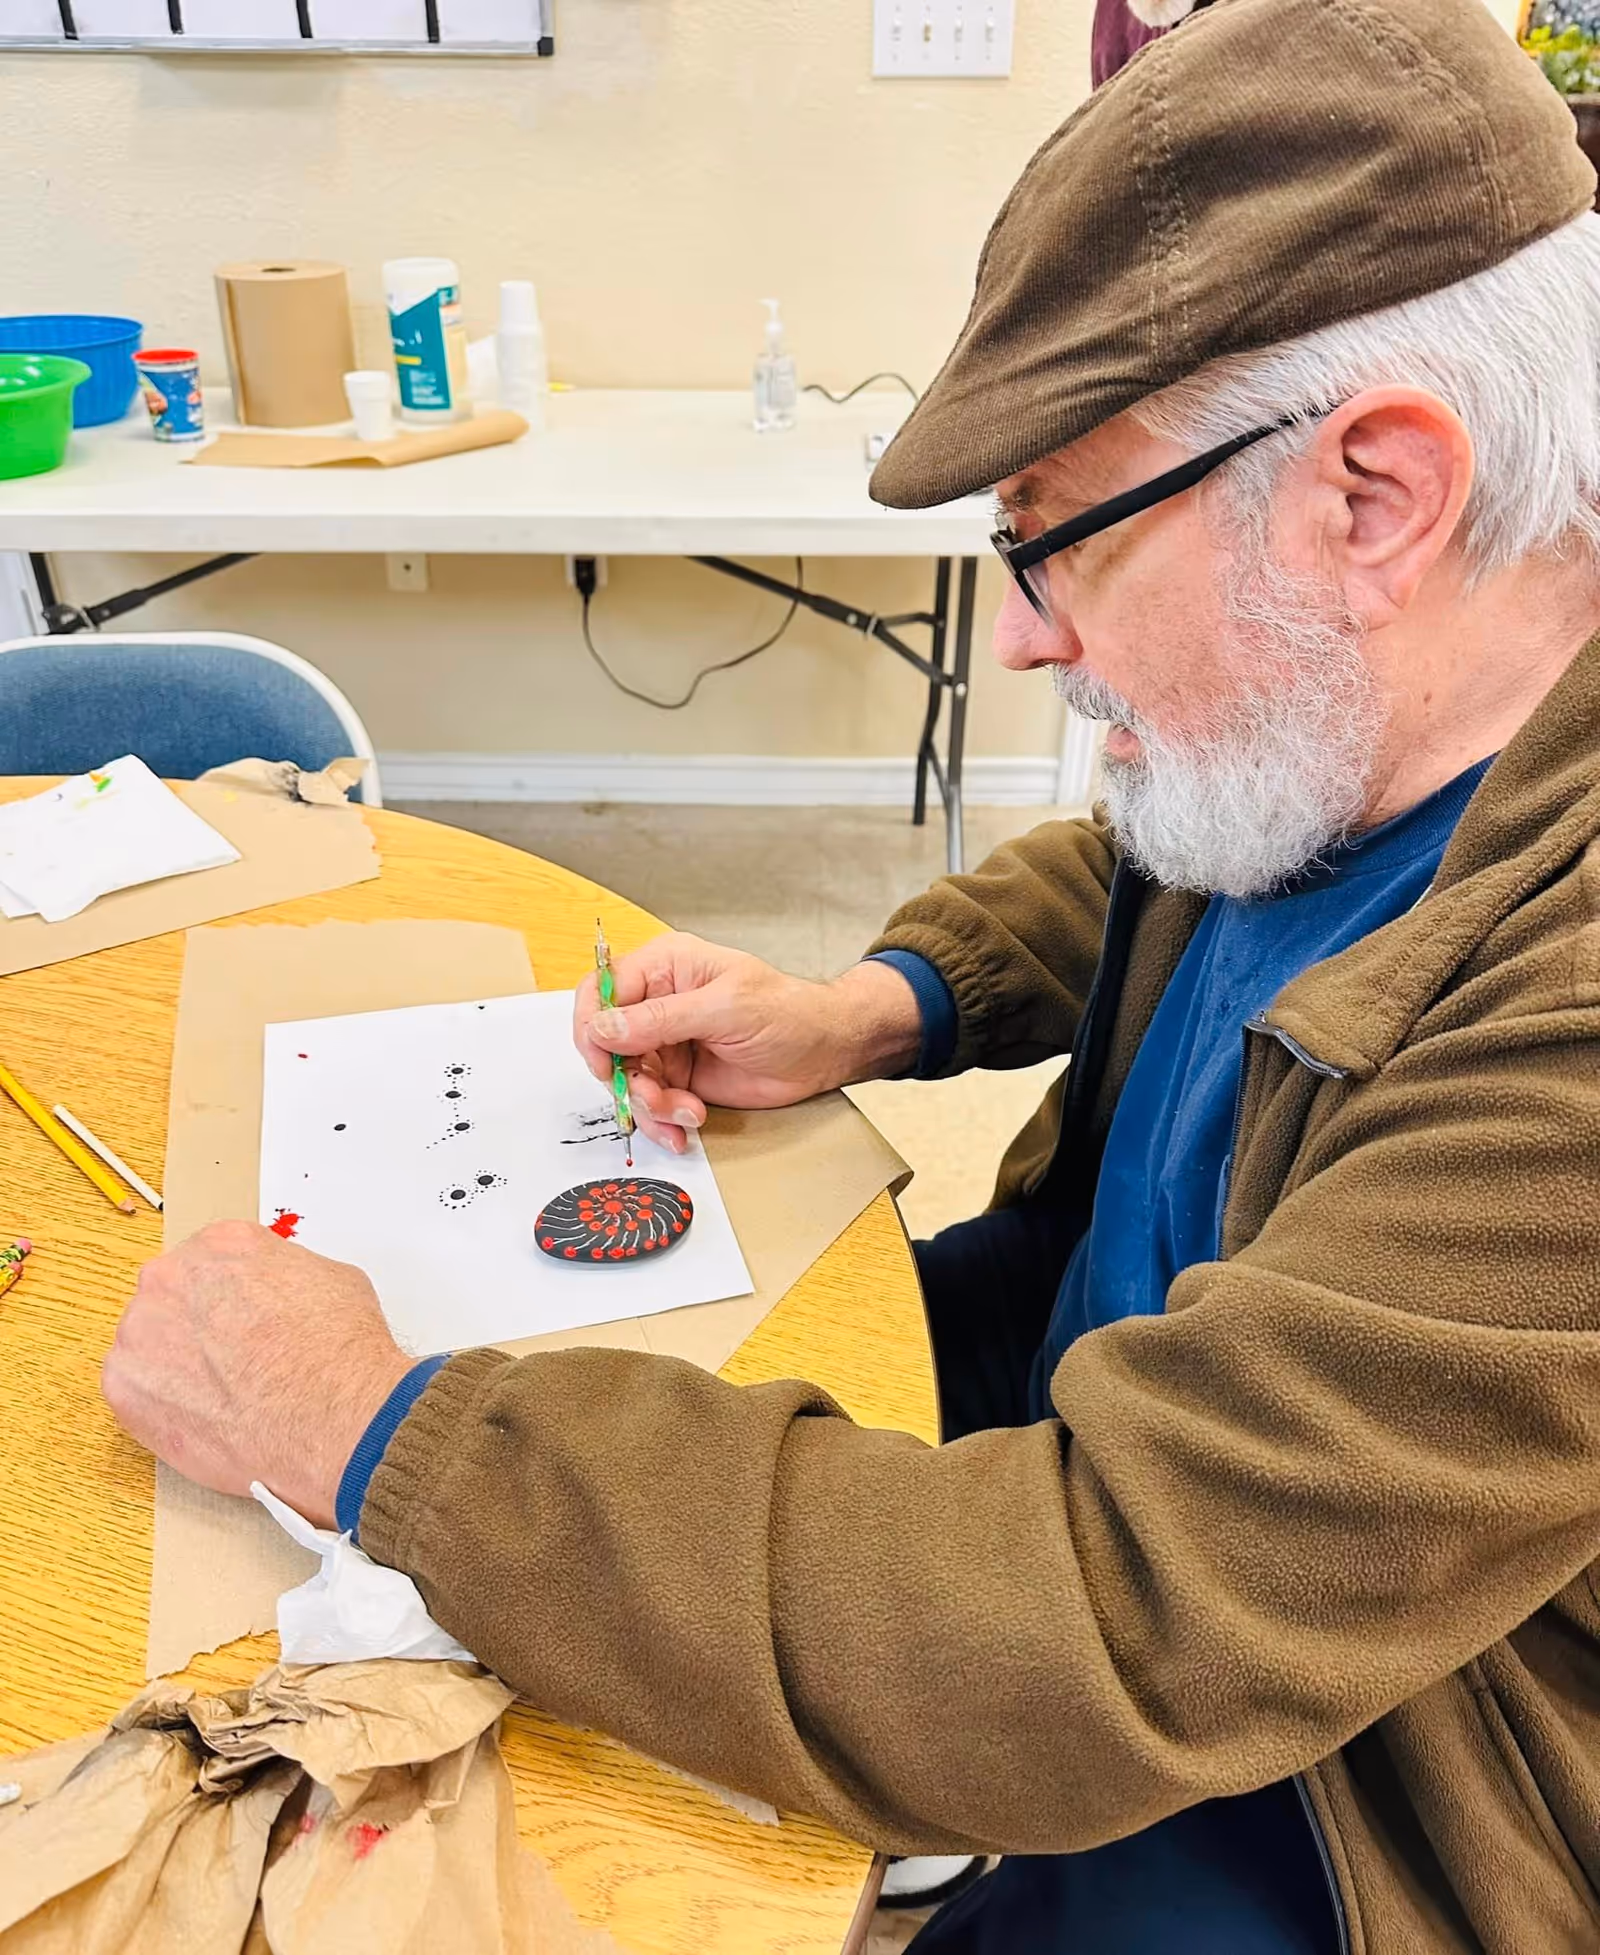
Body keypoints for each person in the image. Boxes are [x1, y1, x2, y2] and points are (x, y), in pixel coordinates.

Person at [102, 1, 1600, 1947]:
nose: (1036, 638)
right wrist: (885, 1001)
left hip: (1341, 1809)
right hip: (1091, 1446)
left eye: (1054, 534)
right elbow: (1171, 854)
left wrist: (368, 1424)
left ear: (1370, 493)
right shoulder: (1421, 691)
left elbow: (1092, 1630)